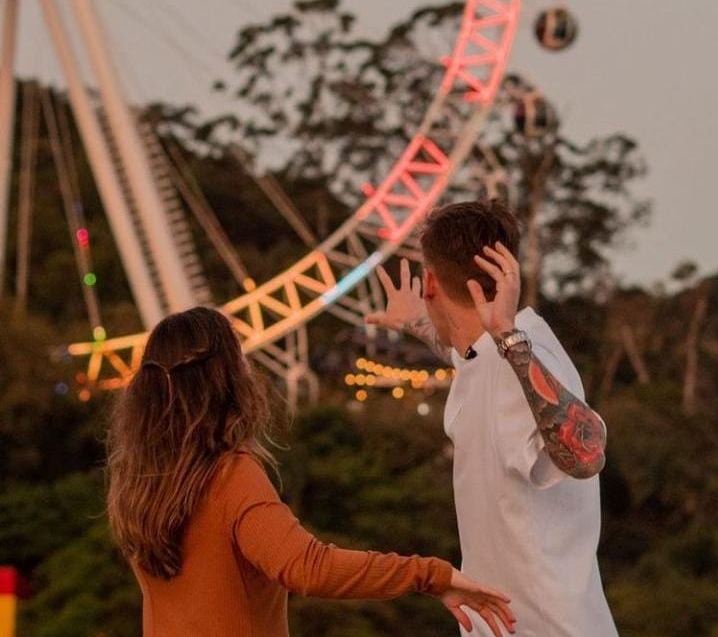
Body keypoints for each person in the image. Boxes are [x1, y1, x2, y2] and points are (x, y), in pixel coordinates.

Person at [106, 306, 516, 637]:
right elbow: (308, 567)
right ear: (224, 380)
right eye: (241, 359)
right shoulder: (229, 476)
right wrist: (432, 575)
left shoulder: (139, 485)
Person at [366, 199, 619, 637]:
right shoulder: (489, 353)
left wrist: (508, 336)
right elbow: (468, 358)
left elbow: (588, 455)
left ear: (430, 282)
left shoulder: (521, 352)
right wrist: (415, 325)